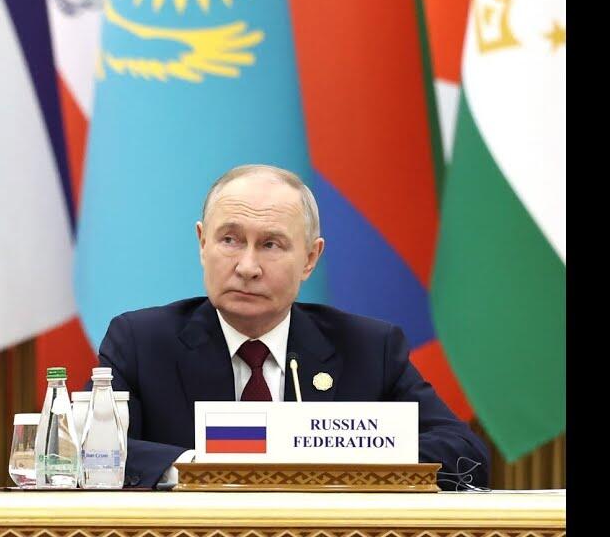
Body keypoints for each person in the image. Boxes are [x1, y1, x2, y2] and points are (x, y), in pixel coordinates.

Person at [97, 164, 489, 488]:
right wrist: (200, 470)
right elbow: (94, 452)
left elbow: (466, 456)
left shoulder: (370, 348)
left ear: (310, 259)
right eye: (230, 240)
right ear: (202, 243)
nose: (247, 267)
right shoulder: (141, 342)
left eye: (271, 245)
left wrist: (330, 461)